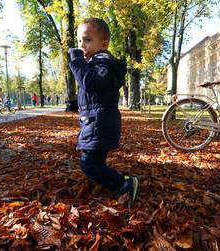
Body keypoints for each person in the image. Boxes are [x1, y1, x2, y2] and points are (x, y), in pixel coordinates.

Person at [68, 17, 138, 206]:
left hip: (100, 122)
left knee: (90, 164)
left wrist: (76, 60)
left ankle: (123, 184)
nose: (82, 45)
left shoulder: (102, 64)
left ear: (104, 44)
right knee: (92, 162)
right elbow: (90, 93)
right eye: (80, 40)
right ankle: (109, 180)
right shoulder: (95, 64)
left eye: (88, 40)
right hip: (94, 121)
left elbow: (90, 83)